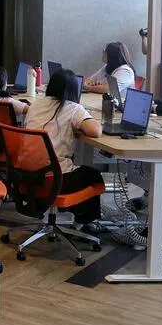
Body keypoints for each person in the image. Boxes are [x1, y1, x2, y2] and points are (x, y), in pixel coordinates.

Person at [21, 69, 104, 224]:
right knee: (93, 175)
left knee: (78, 170)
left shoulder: (35, 105)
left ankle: (69, 210)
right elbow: (95, 131)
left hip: (27, 176)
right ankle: (85, 222)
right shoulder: (73, 108)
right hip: (56, 180)